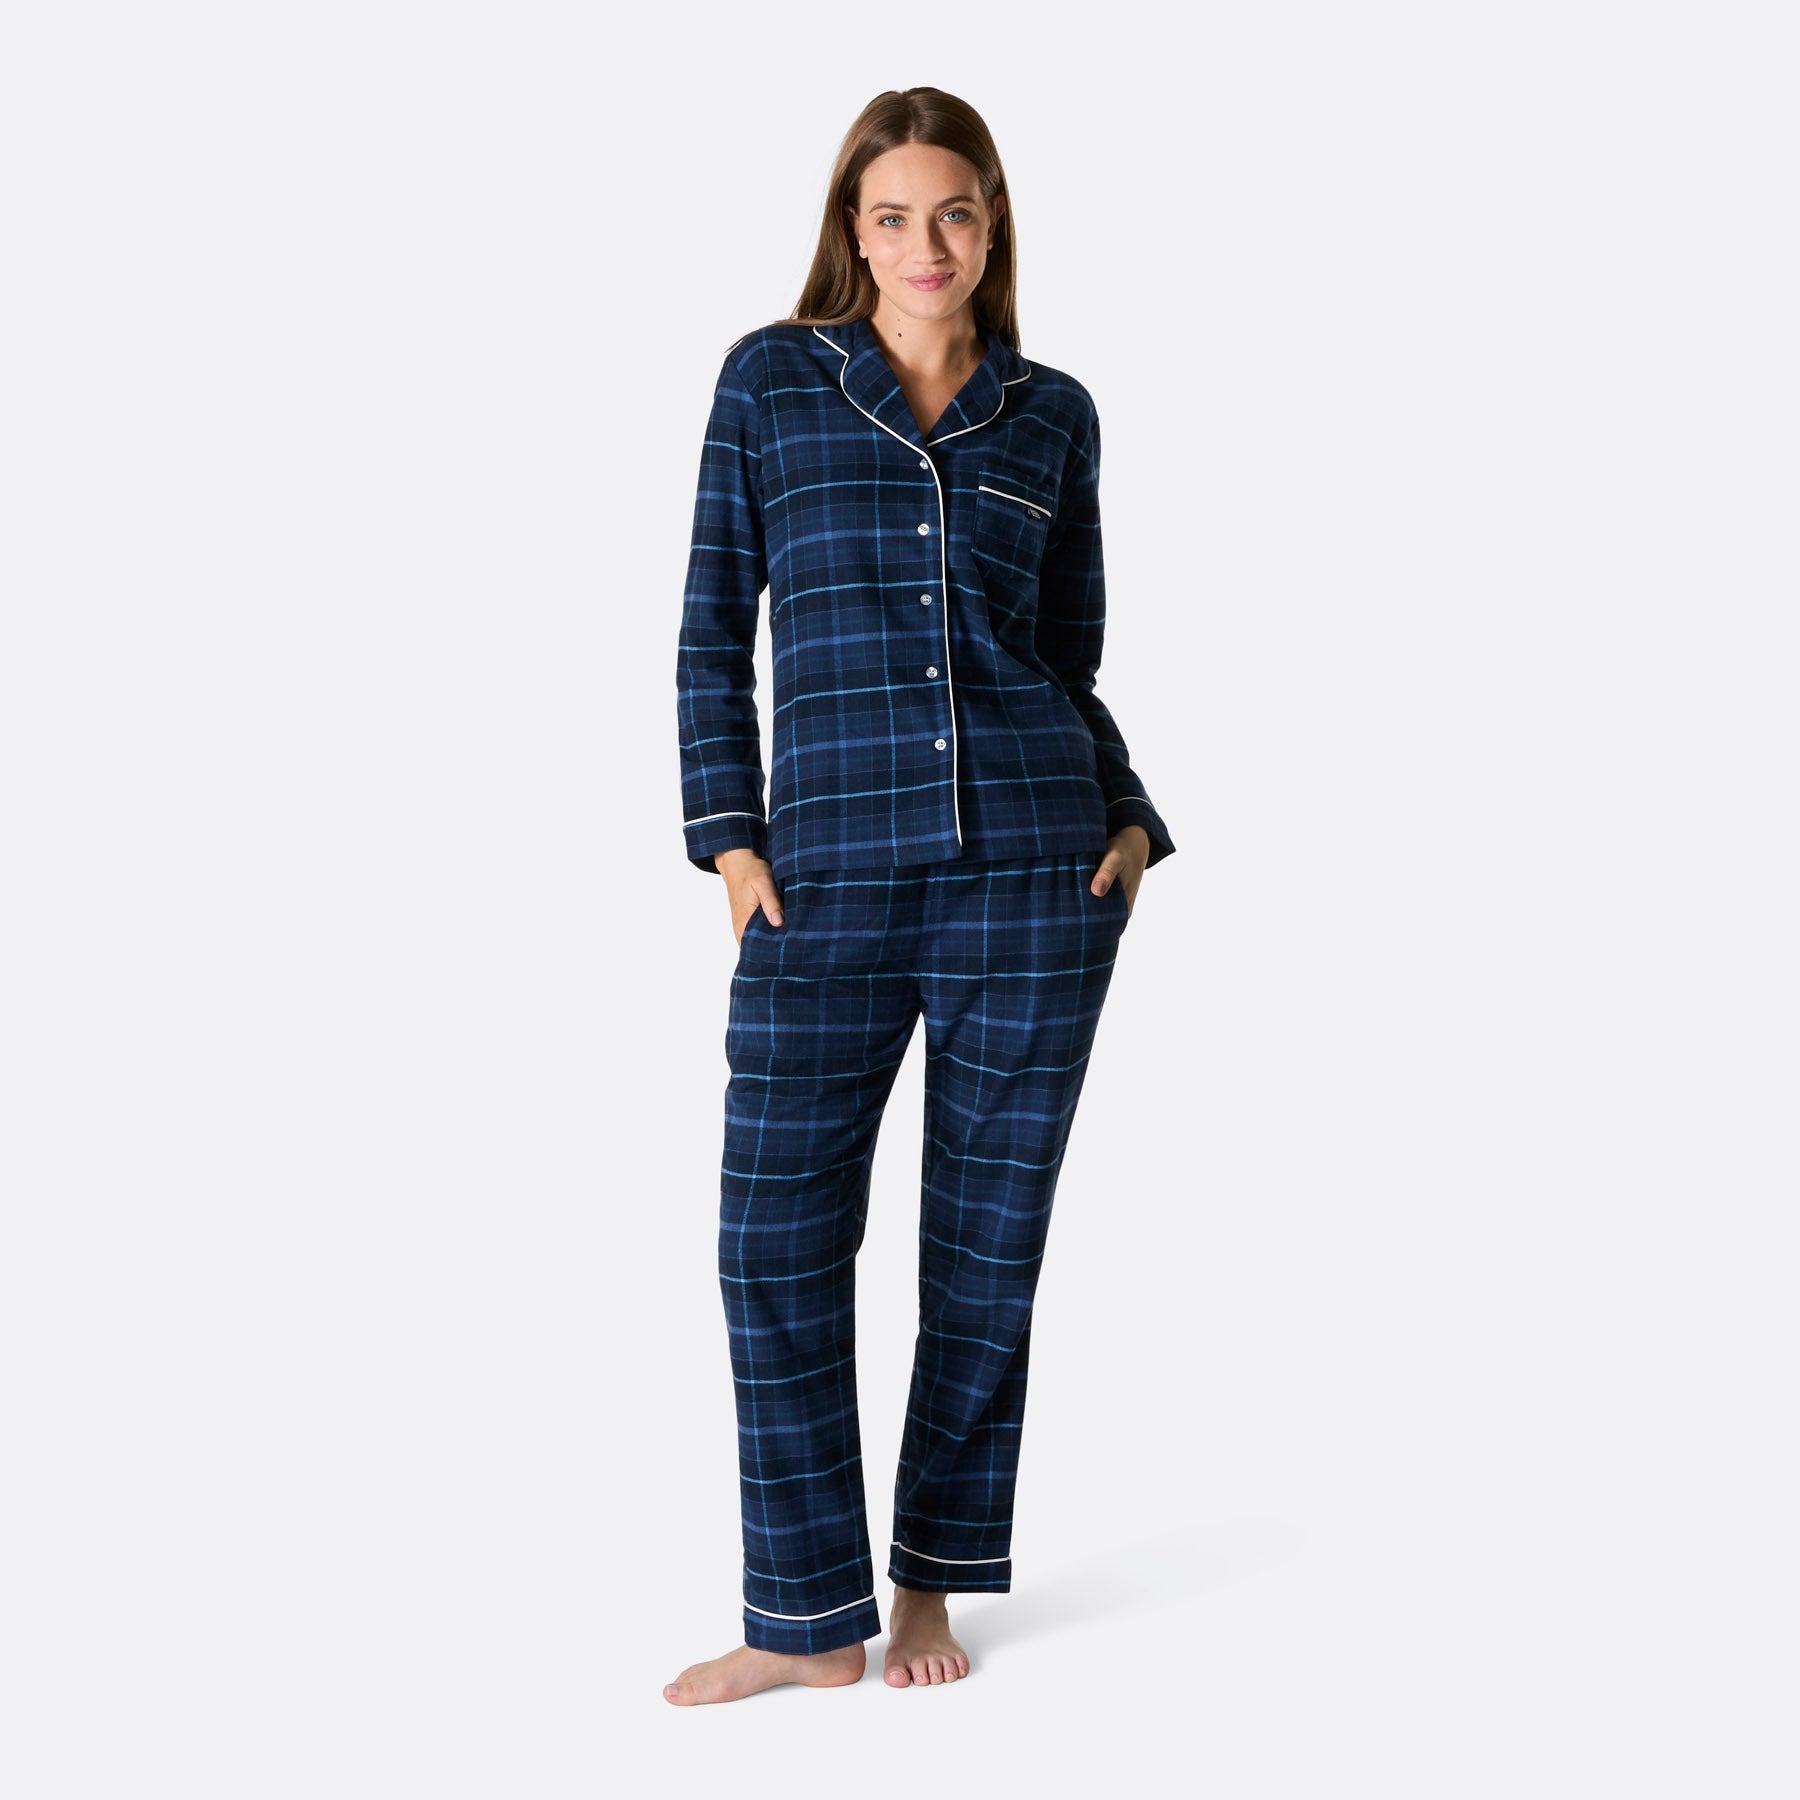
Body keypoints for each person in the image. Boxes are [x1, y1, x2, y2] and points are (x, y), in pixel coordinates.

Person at [664, 87, 1176, 1706]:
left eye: (953, 212)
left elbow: (1067, 658)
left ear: (991, 220)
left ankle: (927, 1584)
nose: (925, 243)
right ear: (853, 229)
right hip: (821, 885)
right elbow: (709, 626)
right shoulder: (773, 382)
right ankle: (804, 1618)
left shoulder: (1052, 413)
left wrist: (1130, 824)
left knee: (983, 1253)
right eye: (892, 216)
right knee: (772, 1241)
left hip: (1035, 876)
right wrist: (730, 839)